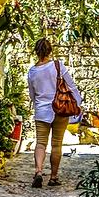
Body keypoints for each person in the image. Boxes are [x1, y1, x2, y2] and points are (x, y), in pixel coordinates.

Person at [26, 37, 82, 188]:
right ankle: (53, 177)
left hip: (41, 111)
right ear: (50, 51)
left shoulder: (32, 72)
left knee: (40, 143)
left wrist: (37, 105)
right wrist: (78, 104)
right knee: (56, 144)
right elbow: (71, 86)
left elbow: (32, 94)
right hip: (60, 109)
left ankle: (38, 171)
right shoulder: (58, 66)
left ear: (36, 52)